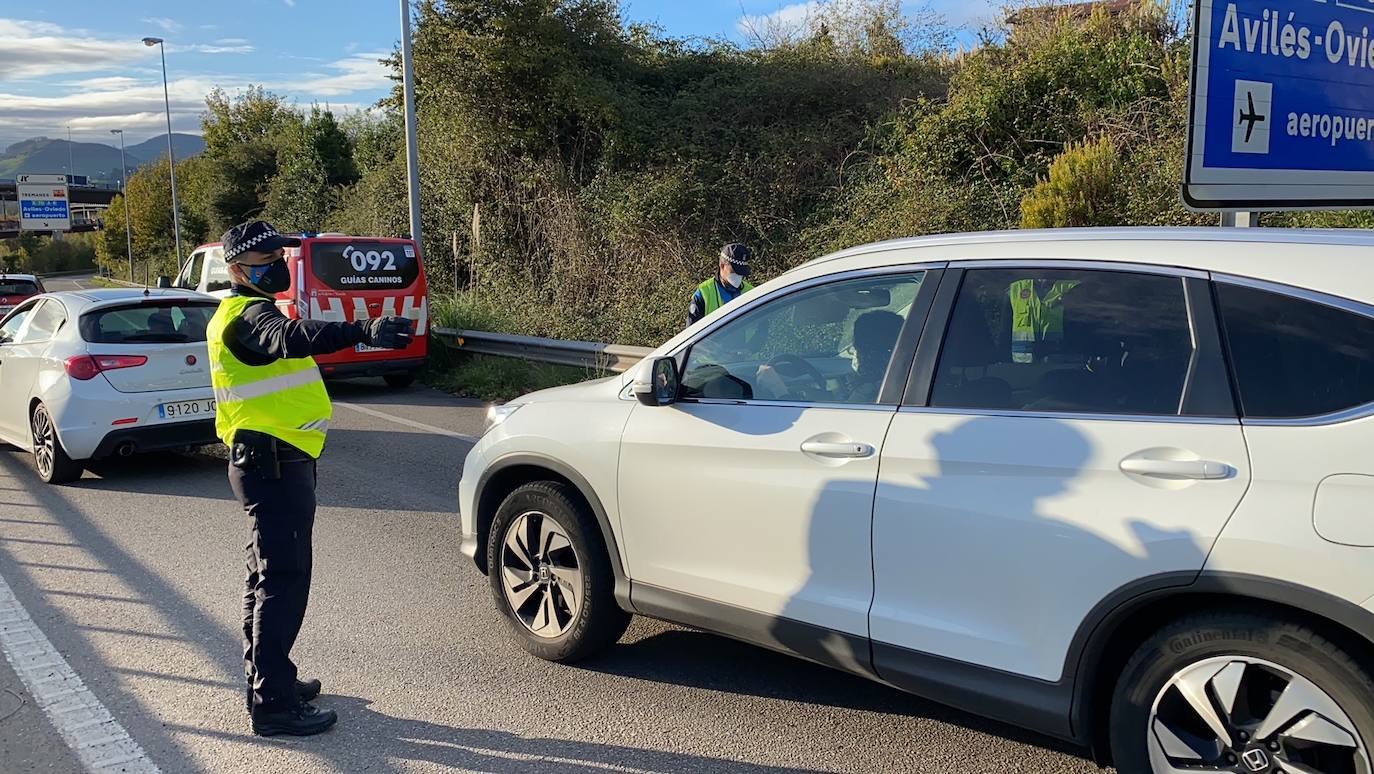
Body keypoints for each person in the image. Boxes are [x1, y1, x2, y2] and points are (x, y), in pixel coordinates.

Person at [206, 220, 415, 737]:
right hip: (272, 462)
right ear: (237, 269)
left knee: (265, 577)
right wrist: (361, 330)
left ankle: (269, 677)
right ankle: (273, 704)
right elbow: (292, 337)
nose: (279, 264)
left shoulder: (251, 311)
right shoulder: (247, 318)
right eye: (267, 259)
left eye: (282, 254)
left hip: (271, 459)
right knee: (283, 581)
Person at [687, 243, 755, 328]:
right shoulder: (704, 293)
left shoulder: (751, 292)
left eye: (741, 273)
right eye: (734, 272)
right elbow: (692, 332)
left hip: (746, 341)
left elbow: (762, 327)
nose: (738, 276)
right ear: (722, 266)